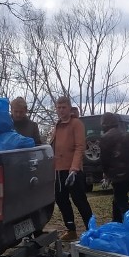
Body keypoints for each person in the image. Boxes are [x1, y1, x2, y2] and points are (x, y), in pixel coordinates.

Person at [50, 95, 93, 241]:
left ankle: (91, 228)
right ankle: (71, 229)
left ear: (69, 108)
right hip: (58, 171)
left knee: (79, 200)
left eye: (63, 107)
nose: (61, 110)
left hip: (73, 171)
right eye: (58, 107)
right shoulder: (57, 125)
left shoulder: (76, 123)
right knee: (61, 200)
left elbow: (80, 147)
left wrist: (74, 169)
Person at [98, 112, 129, 222]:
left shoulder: (105, 138)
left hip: (117, 174)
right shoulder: (127, 135)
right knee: (118, 199)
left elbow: (104, 160)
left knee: (121, 201)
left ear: (104, 124)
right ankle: (116, 222)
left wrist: (106, 174)